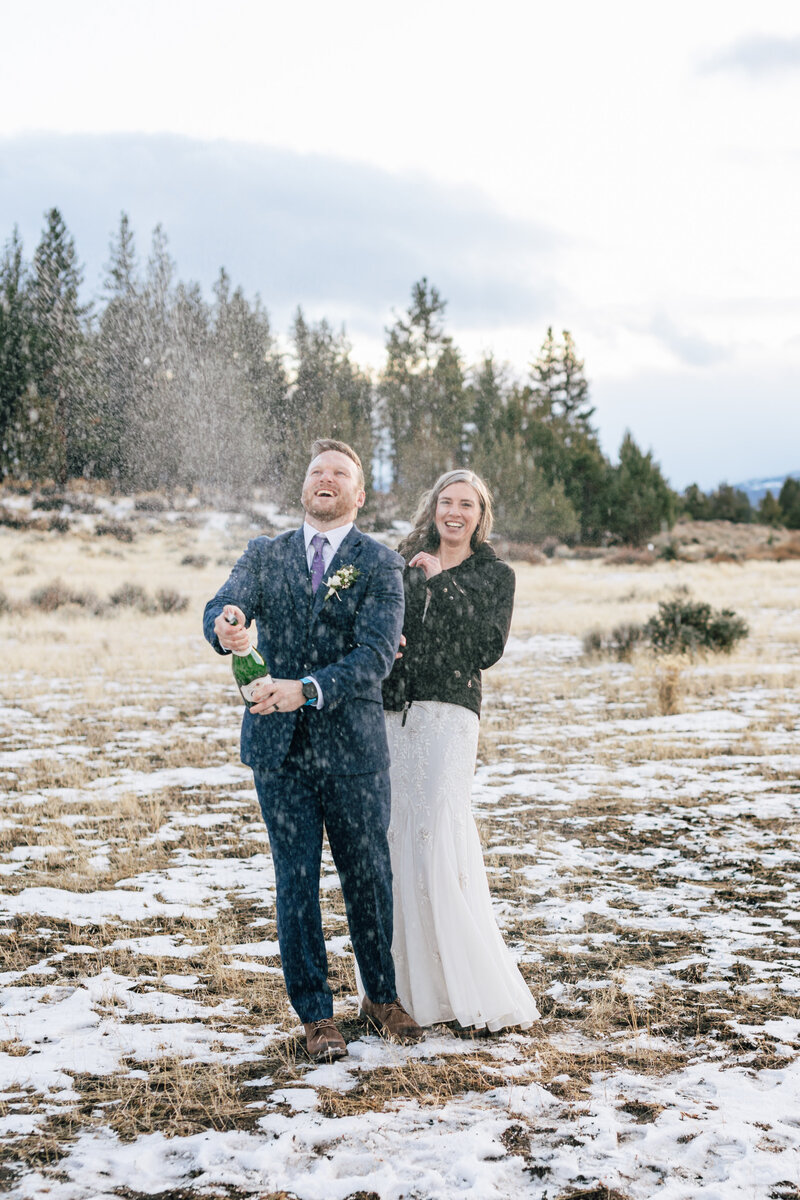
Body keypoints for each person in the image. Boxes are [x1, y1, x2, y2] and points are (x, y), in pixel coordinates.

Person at [203, 439, 423, 1060]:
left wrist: (305, 689)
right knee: (294, 882)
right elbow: (221, 605)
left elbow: (376, 656)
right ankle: (315, 1017)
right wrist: (228, 622)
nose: (325, 479)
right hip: (280, 753)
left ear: (359, 495)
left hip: (353, 752)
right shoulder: (263, 554)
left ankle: (381, 998)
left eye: (339, 474)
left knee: (368, 877)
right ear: (305, 487)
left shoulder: (380, 564)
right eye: (316, 471)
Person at [381, 469, 540, 1031]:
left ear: (480, 514)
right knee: (399, 832)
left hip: (450, 713)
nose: (454, 512)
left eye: (465, 504)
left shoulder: (494, 575)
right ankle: (400, 987)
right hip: (395, 710)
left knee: (439, 830)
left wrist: (440, 584)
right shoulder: (403, 558)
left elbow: (485, 646)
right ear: (433, 508)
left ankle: (459, 984)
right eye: (445, 502)